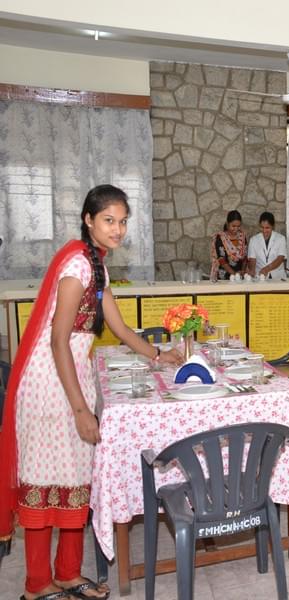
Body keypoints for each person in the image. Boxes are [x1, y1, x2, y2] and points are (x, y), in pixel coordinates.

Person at [0, 184, 182, 600]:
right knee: (44, 481)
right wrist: (81, 409)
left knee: (73, 478)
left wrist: (158, 354)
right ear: (88, 220)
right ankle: (36, 586)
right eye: (108, 220)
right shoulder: (77, 266)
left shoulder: (94, 264)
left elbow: (115, 323)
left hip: (69, 376)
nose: (117, 229)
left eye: (122, 221)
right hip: (49, 385)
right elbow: (59, 339)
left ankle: (65, 573)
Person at [247, 211, 287, 280]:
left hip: (278, 277)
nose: (264, 230)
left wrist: (266, 269)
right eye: (262, 227)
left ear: (273, 226)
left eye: (267, 228)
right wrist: (252, 270)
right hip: (259, 277)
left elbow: (280, 258)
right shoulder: (253, 240)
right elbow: (252, 259)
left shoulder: (281, 239)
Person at [210, 210, 247, 281]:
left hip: (239, 277)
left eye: (238, 226)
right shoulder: (221, 237)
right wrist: (234, 274)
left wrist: (242, 271)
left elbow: (245, 257)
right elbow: (222, 260)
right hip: (225, 277)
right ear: (227, 224)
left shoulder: (242, 237)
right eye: (233, 226)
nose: (236, 229)